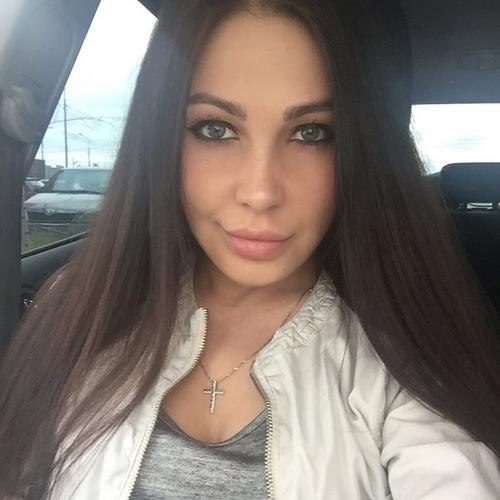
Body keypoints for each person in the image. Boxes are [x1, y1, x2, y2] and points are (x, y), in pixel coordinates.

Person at [1, 1, 499, 499]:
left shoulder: (404, 357)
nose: (260, 192)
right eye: (215, 129)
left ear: (361, 155)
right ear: (161, 140)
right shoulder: (80, 309)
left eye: (311, 133)